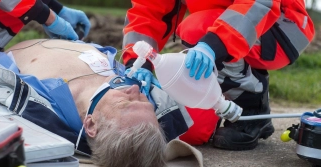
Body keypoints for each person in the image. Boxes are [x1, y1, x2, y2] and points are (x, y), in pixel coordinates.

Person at [0, 39, 193, 167]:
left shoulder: (44, 106)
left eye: (126, 102)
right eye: (144, 100)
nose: (136, 89)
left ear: (91, 125)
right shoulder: (134, 91)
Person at [122, 0, 315, 150]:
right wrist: (138, 62)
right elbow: (148, 12)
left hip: (280, 25)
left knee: (196, 27)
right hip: (217, 29)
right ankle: (225, 96)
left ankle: (251, 105)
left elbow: (259, 4)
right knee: (191, 133)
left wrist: (213, 45)